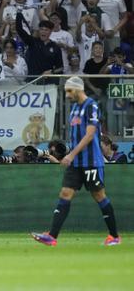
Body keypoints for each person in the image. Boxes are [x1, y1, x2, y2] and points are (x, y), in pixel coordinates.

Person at [32, 77, 121, 247]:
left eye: (69, 91)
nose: (67, 95)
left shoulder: (91, 106)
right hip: (76, 163)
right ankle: (52, 236)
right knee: (65, 194)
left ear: (79, 89)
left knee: (99, 195)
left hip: (91, 162)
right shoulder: (73, 109)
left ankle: (114, 236)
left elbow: (89, 135)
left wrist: (71, 155)